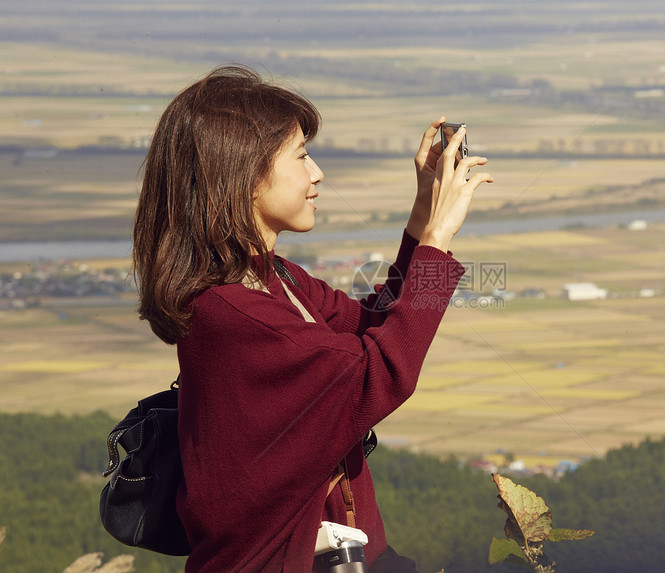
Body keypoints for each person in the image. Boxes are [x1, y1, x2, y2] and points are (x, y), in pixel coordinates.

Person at [132, 65, 492, 572]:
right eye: (301, 156)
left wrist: (422, 213)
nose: (317, 172)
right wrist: (436, 243)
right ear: (242, 176)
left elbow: (374, 324)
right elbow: (380, 372)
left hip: (349, 553)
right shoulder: (234, 312)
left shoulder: (272, 279)